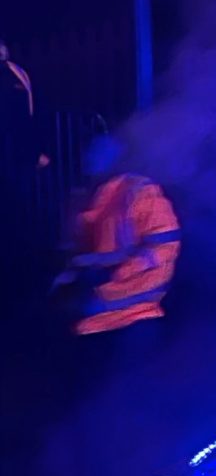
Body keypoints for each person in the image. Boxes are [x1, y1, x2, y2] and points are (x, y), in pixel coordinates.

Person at [56, 133, 181, 338]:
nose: (88, 158)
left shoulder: (140, 191)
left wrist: (112, 271)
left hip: (133, 318)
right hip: (94, 316)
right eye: (89, 152)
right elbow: (83, 248)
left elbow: (164, 247)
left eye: (97, 152)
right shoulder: (93, 193)